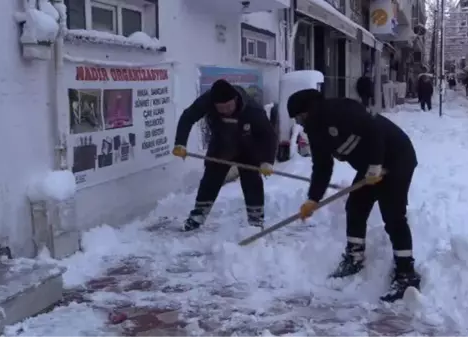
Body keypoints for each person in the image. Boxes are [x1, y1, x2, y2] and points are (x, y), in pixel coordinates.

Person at [287, 88, 421, 303]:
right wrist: (313, 199)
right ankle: (354, 256)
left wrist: (376, 165)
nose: (299, 123)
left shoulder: (341, 109)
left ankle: (407, 274)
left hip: (397, 158)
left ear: (308, 110)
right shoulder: (314, 130)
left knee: (393, 214)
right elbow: (322, 166)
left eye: (299, 117)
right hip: (371, 165)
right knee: (356, 206)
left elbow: (374, 130)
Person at [172, 79, 277, 231]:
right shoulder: (207, 101)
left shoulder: (252, 109)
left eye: (228, 106)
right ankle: (198, 215)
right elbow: (188, 117)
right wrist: (180, 143)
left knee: (251, 180)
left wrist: (267, 161)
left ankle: (256, 218)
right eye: (221, 108)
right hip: (221, 145)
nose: (226, 110)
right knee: (210, 180)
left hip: (248, 146)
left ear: (235, 100)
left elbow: (268, 135)